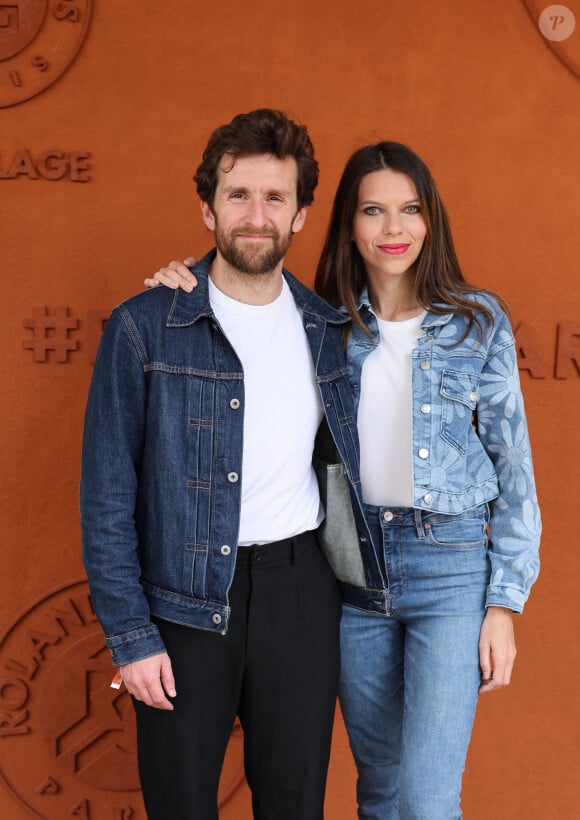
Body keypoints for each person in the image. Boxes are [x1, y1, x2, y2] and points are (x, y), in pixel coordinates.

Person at [148, 141, 541, 819]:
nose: (394, 229)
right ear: (346, 224)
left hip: (451, 567)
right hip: (351, 572)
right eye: (373, 211)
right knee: (379, 790)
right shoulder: (323, 323)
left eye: (410, 209)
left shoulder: (477, 323)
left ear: (431, 219)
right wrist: (184, 279)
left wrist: (504, 603)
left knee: (426, 799)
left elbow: (515, 470)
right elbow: (242, 307)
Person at [80, 109, 378, 820]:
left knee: (294, 805)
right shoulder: (145, 325)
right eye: (238, 194)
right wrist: (130, 635)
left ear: (302, 214)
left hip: (301, 595)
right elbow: (107, 496)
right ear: (206, 205)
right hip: (182, 604)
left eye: (275, 198)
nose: (255, 215)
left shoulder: (331, 333)